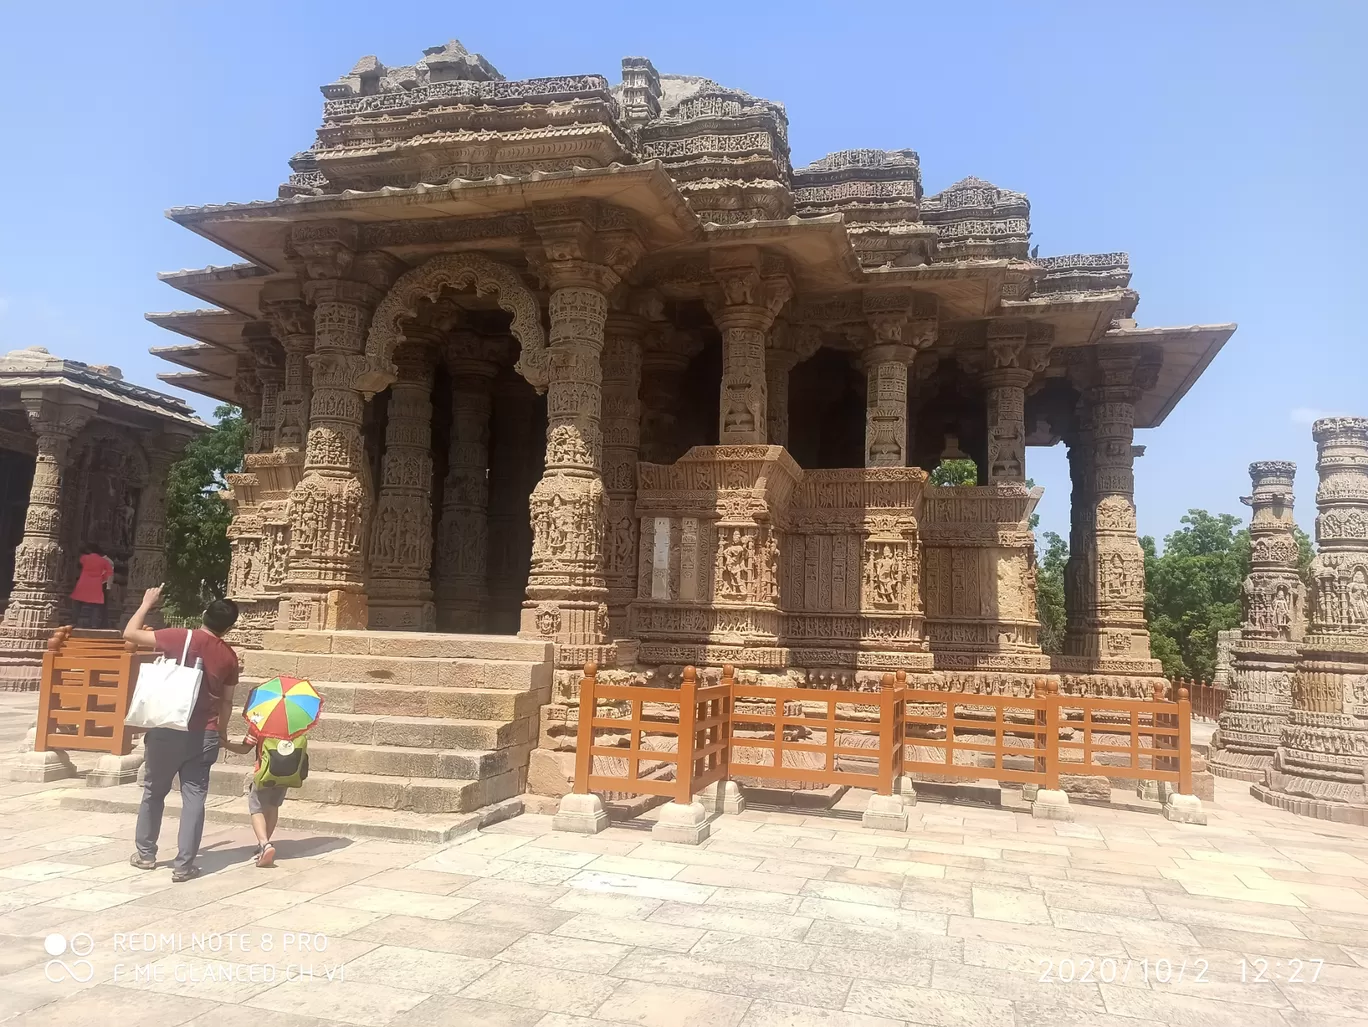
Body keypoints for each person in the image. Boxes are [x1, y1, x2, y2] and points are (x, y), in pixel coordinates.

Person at [123, 586, 240, 882]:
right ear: (229, 628)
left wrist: (147, 603)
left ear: (203, 615)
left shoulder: (179, 637)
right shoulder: (229, 656)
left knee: (154, 792)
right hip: (205, 732)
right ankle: (184, 864)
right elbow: (226, 701)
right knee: (195, 797)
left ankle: (146, 854)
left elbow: (130, 634)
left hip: (168, 727)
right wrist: (222, 732)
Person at [222, 727, 286, 868]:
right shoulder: (296, 724)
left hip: (264, 772)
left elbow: (245, 748)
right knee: (273, 805)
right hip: (287, 772)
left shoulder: (260, 723)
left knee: (256, 807)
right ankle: (265, 843)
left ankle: (264, 844)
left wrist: (225, 744)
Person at [70, 544, 114, 629]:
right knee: (96, 605)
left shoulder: (84, 558)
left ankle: (74, 621)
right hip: (96, 584)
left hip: (83, 582)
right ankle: (94, 624)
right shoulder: (104, 561)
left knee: (77, 603)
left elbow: (78, 564)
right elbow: (109, 573)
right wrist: (102, 580)